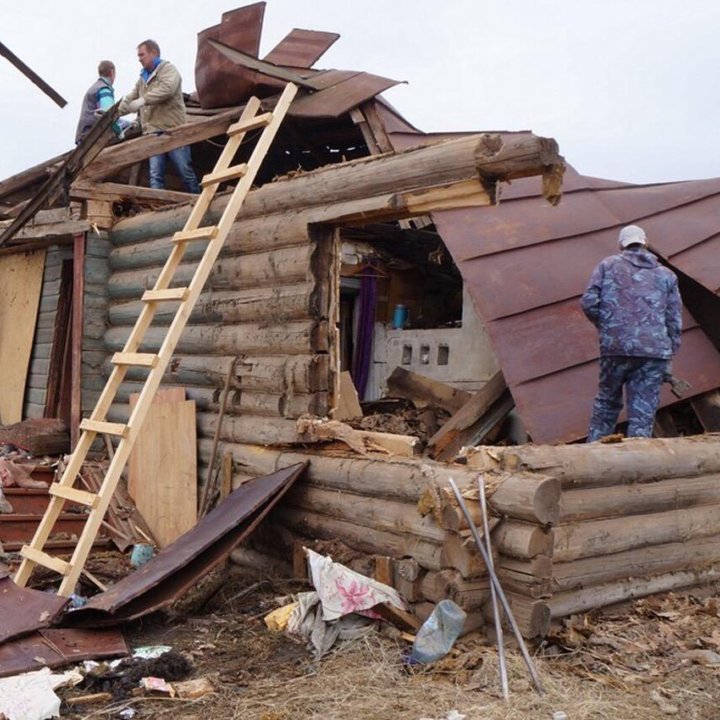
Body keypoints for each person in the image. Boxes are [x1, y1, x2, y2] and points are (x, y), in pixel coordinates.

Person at [580, 224, 682, 441]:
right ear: (645, 243)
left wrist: (609, 327)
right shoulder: (667, 275)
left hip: (615, 347)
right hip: (654, 351)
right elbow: (674, 319)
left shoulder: (607, 265)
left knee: (607, 403)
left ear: (621, 245)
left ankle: (595, 454)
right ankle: (637, 463)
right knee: (642, 413)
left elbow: (589, 302)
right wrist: (670, 351)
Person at [119, 39, 200, 193]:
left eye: (142, 55)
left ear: (153, 53)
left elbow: (167, 89)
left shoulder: (168, 70)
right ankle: (157, 204)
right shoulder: (143, 78)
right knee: (155, 175)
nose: (139, 59)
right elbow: (130, 98)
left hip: (173, 130)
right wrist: (113, 113)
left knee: (184, 170)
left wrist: (143, 100)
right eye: (138, 56)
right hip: (153, 133)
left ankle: (198, 201)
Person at [75, 60, 124, 144]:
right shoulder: (104, 89)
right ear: (112, 72)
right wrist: (119, 131)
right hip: (92, 136)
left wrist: (125, 123)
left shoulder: (95, 88)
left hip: (84, 135)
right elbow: (107, 116)